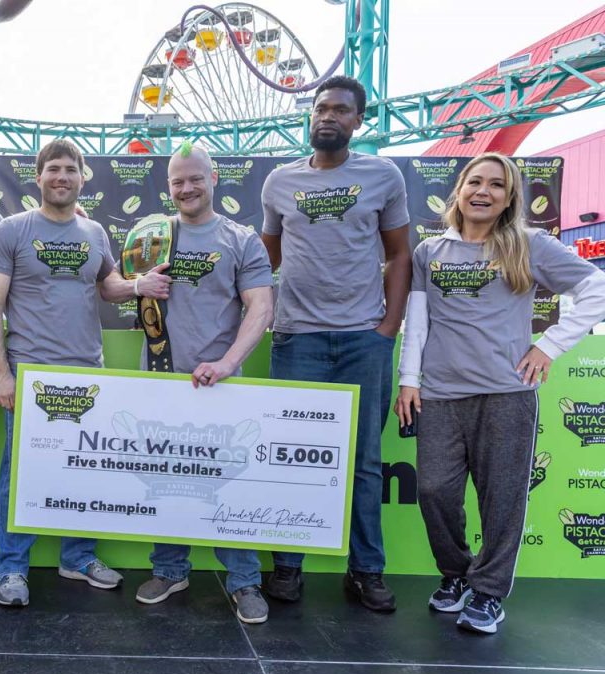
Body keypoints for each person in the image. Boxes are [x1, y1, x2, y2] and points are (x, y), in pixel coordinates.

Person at [394, 153, 605, 634]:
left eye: (496, 185)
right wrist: (410, 380)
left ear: (510, 198)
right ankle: (457, 574)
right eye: (475, 182)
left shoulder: (530, 245)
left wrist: (548, 346)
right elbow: (419, 323)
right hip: (443, 395)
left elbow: (598, 288)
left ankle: (488, 593)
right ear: (460, 190)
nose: (483, 191)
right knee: (433, 491)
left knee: (503, 498)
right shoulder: (431, 252)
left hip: (507, 395)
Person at [0, 138, 168, 607]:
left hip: (88, 374)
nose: (61, 177)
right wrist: (2, 375)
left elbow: (108, 288)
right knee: (18, 475)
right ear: (38, 177)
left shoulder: (95, 232)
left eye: (70, 170)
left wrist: (139, 285)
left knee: (85, 470)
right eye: (53, 169)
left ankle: (78, 556)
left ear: (82, 177)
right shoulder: (11, 230)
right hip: (32, 377)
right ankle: (12, 568)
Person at [260, 75, 412, 612]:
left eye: (341, 110)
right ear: (310, 116)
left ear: (357, 121)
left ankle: (366, 570)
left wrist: (387, 331)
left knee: (365, 463)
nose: (328, 115)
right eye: (321, 107)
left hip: (362, 340)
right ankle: (287, 567)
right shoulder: (279, 181)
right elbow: (266, 260)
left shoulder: (382, 175)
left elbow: (399, 255)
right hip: (296, 337)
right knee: (291, 459)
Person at [131, 144, 275, 624]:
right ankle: (170, 570)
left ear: (214, 178)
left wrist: (230, 361)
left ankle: (244, 581)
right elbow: (110, 284)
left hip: (221, 386)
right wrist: (137, 285)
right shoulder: (153, 235)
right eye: (177, 181)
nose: (187, 188)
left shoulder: (240, 238)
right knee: (166, 481)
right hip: (161, 381)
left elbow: (260, 307)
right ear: (167, 186)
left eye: (195, 178)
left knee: (228, 483)